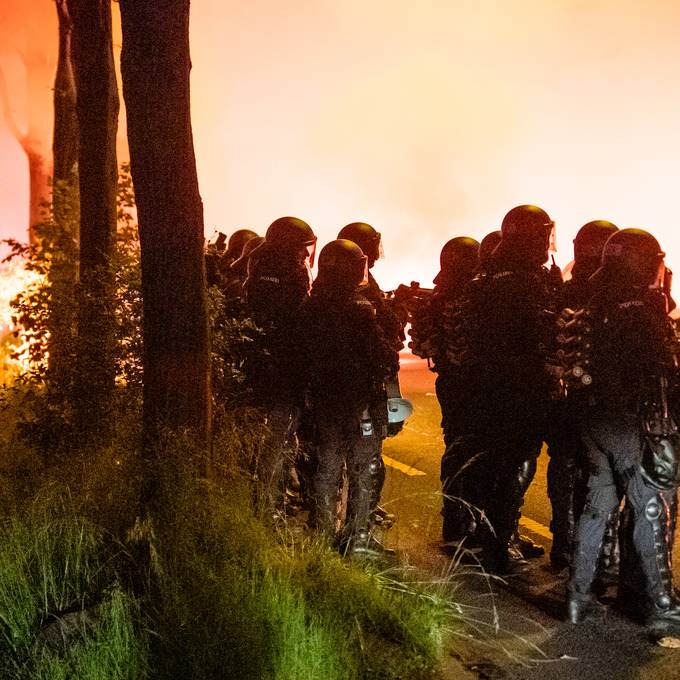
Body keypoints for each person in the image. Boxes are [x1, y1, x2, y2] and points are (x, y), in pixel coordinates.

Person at [567, 228, 680, 636]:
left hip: (593, 422)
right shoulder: (640, 314)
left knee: (596, 508)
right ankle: (662, 605)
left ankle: (578, 598)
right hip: (628, 425)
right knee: (650, 511)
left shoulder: (596, 303)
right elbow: (661, 372)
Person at [440, 205, 559, 573]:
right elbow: (539, 337)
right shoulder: (525, 282)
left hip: (485, 388)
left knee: (489, 461)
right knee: (515, 465)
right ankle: (499, 544)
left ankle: (490, 536)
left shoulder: (486, 278)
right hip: (518, 390)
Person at [298, 239, 398, 556]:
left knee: (327, 468)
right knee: (363, 469)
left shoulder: (309, 306)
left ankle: (321, 537)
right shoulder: (360, 309)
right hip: (362, 406)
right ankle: (357, 538)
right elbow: (380, 355)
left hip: (325, 404)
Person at [546, 220, 619, 570]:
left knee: (565, 465)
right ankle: (597, 555)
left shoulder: (564, 291)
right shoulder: (611, 296)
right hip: (599, 401)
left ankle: (564, 540)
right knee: (601, 477)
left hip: (566, 397)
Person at [409, 237, 480, 545]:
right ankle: (463, 522)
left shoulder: (440, 296)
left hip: (449, 381)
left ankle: (455, 521)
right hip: (466, 383)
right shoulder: (469, 297)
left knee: (456, 447)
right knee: (470, 450)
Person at [243, 216, 316, 516]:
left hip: (275, 371)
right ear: (287, 249)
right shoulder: (279, 282)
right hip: (280, 373)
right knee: (278, 440)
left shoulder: (261, 273)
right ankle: (269, 506)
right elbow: (294, 327)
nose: (304, 256)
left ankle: (272, 501)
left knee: (281, 439)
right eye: (300, 249)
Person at [336, 222, 406, 528]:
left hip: (350, 384)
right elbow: (385, 332)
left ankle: (341, 522)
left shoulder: (340, 286)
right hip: (368, 383)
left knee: (335, 458)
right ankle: (358, 525)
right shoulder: (359, 288)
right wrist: (397, 311)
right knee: (368, 458)